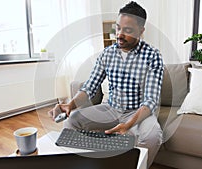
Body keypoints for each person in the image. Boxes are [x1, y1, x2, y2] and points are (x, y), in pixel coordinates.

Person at [48, 1, 163, 167]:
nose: (119, 34)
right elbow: (90, 87)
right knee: (72, 121)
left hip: (138, 111)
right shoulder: (107, 54)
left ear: (141, 31)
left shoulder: (153, 56)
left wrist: (129, 125)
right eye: (118, 28)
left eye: (127, 30)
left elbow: (151, 100)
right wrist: (70, 105)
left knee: (153, 136)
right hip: (111, 108)